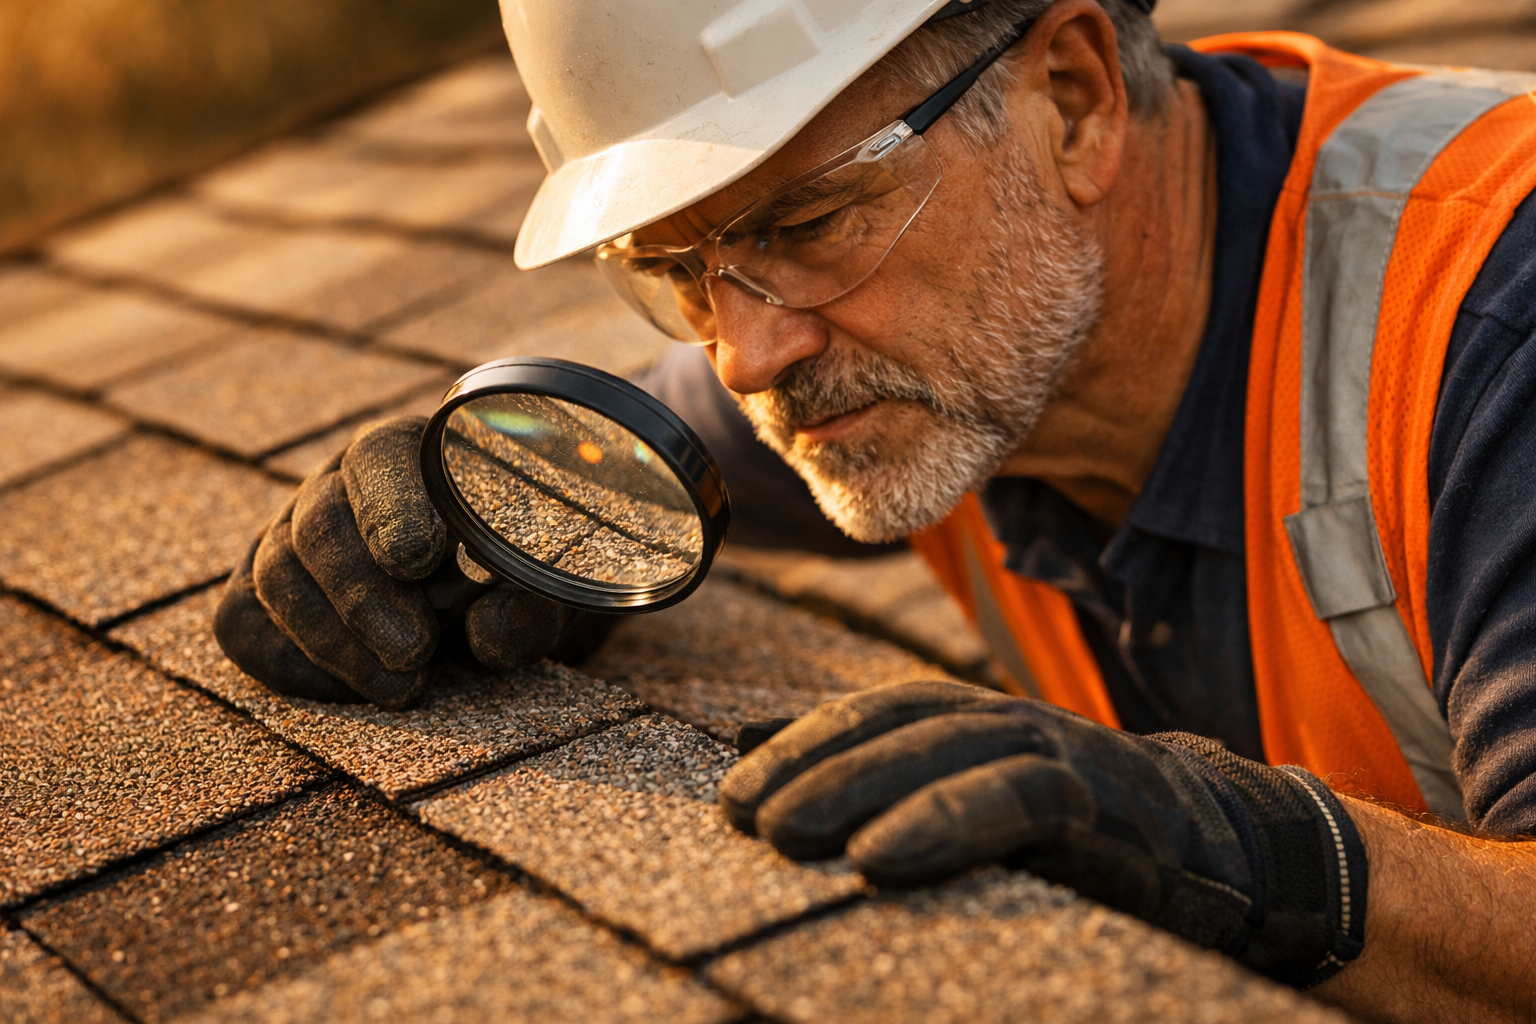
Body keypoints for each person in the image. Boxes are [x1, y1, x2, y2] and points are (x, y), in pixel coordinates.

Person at [215, 0, 1536, 1017]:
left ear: (1072, 102)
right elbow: (626, 452)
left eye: (810, 223)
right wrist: (484, 517)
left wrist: (1254, 856)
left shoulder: (1491, 327)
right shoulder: (951, 342)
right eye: (676, 271)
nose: (746, 355)